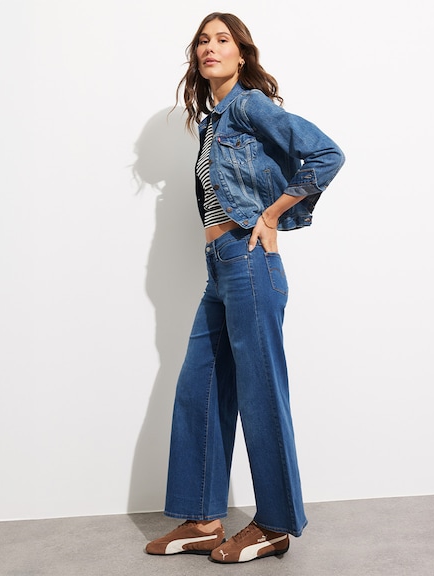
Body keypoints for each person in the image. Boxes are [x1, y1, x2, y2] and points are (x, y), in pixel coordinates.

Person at [145, 12, 345, 564]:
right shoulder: (213, 121)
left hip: (249, 262)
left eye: (222, 40)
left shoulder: (249, 105)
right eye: (202, 41)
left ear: (241, 53)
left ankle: (275, 524)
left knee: (260, 394)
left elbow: (327, 153)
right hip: (219, 267)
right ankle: (204, 519)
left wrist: (274, 215)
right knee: (199, 387)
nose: (210, 48)